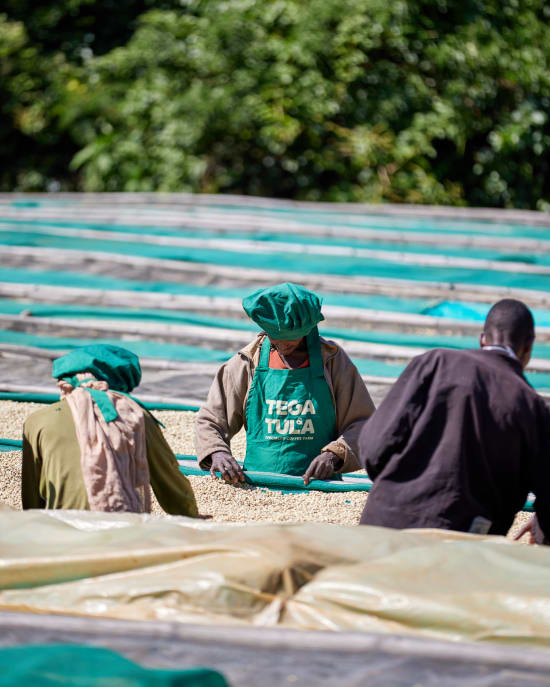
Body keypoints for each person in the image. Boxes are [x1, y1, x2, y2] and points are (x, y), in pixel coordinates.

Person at [358, 298, 550, 543]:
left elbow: (373, 447)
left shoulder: (434, 363)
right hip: (464, 545)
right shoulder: (532, 406)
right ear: (528, 348)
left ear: (482, 339)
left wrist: (397, 491)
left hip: (384, 527)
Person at [195, 282, 375, 483]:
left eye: (290, 340)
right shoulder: (248, 361)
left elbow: (364, 425)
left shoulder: (332, 361)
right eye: (274, 338)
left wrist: (334, 456)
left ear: (307, 328)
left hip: (320, 487)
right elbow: (210, 420)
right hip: (257, 484)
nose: (281, 345)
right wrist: (217, 452)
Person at [22, 344, 198, 516]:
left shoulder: (37, 421)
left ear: (64, 379)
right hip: (121, 533)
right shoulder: (136, 416)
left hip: (62, 531)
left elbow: (32, 498)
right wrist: (193, 518)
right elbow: (172, 487)